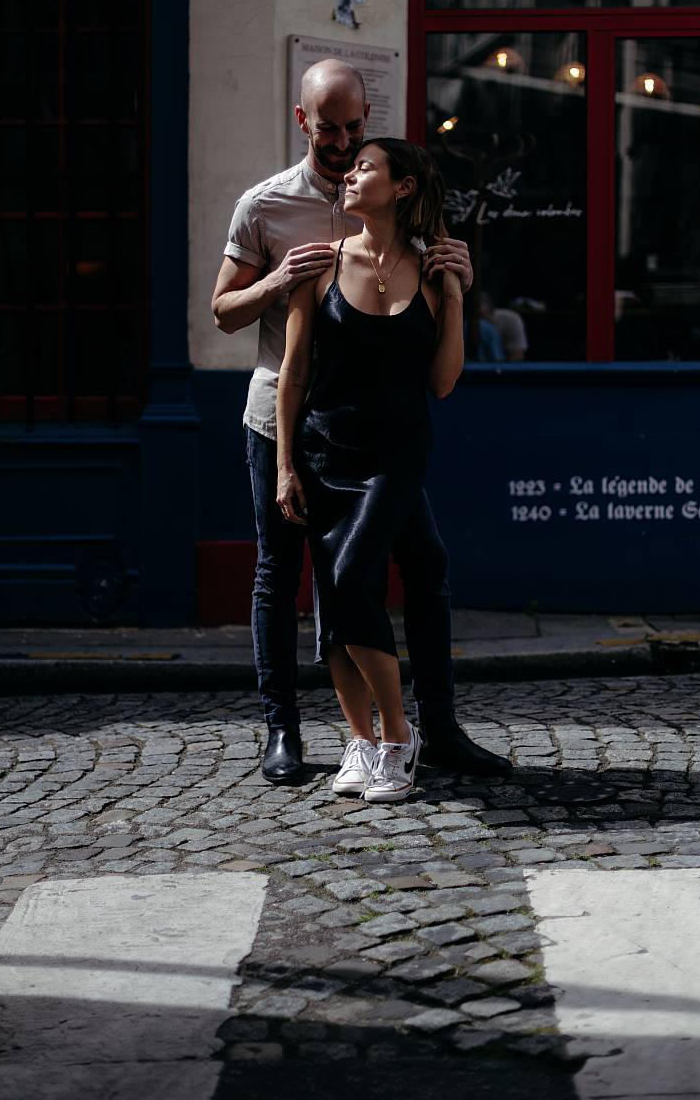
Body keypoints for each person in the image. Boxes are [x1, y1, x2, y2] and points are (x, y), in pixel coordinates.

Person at [212, 59, 511, 784]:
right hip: (284, 417)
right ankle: (284, 730)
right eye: (330, 131)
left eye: (355, 129)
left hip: (381, 429)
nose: (344, 145)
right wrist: (280, 281)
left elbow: (435, 315)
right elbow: (222, 311)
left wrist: (460, 276)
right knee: (282, 573)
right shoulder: (265, 205)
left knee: (424, 566)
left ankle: (434, 728)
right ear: (302, 122)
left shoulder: (397, 193)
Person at [277, 139, 473, 801]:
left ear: (404, 188)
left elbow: (443, 383)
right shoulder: (322, 264)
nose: (351, 174)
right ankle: (361, 741)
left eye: (366, 167)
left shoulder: (433, 269)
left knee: (354, 573)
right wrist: (284, 466)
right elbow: (294, 371)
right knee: (336, 591)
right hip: (326, 451)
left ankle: (398, 735)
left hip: (396, 456)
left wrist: (456, 298)